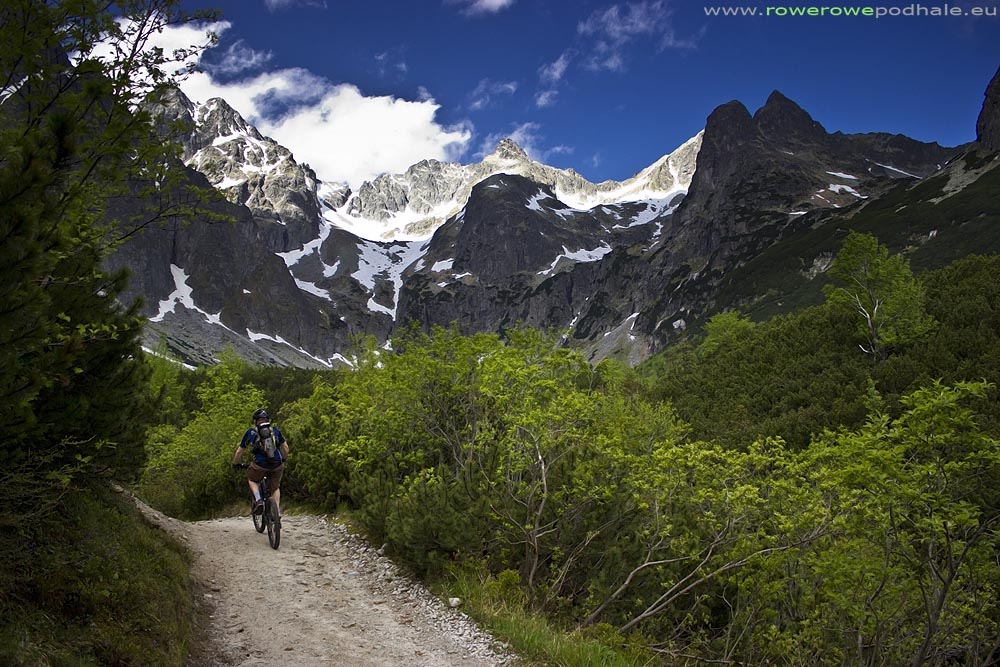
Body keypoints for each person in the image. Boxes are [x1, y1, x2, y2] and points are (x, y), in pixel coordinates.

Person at [232, 408, 289, 518]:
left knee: (252, 480)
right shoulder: (275, 431)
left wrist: (236, 463)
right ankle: (276, 512)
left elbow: (239, 451)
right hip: (277, 464)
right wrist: (283, 459)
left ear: (255, 421)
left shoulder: (251, 432)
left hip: (260, 465)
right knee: (275, 488)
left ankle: (258, 500)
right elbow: (285, 447)